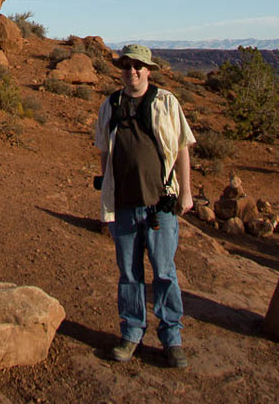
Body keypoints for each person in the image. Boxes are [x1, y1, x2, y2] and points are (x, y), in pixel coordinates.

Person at [94, 43, 195, 368]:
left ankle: (172, 338)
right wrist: (105, 194)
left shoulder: (166, 102)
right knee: (129, 274)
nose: (132, 71)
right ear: (121, 69)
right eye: (126, 66)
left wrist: (187, 193)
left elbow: (182, 148)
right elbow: (104, 154)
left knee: (164, 273)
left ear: (149, 70)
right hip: (123, 205)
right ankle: (132, 333)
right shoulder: (109, 104)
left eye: (138, 66)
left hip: (160, 206)